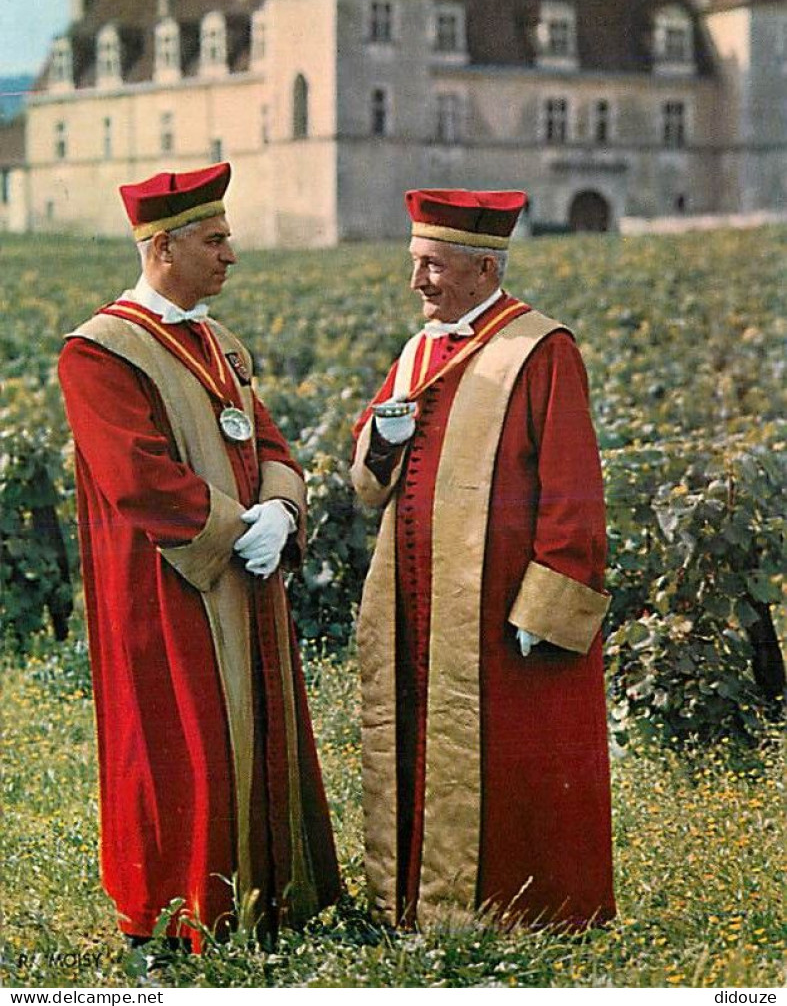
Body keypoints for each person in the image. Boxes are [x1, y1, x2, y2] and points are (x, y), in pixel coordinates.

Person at [58, 163, 340, 953]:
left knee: (251, 734)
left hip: (243, 572)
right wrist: (229, 528)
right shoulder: (98, 350)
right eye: (214, 240)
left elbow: (272, 441)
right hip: (166, 582)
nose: (231, 254)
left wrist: (281, 510)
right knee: (182, 742)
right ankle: (186, 915)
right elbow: (135, 476)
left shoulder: (220, 342)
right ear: (162, 247)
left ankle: (272, 900)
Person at [351, 188, 615, 931]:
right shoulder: (417, 351)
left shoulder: (539, 348)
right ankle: (409, 903)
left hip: (495, 601)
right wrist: (382, 438)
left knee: (509, 758)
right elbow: (367, 476)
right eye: (414, 264)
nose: (418, 283)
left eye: (431, 265)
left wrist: (552, 598)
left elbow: (572, 484)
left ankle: (507, 913)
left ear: (481, 266)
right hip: (416, 597)